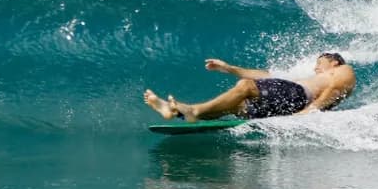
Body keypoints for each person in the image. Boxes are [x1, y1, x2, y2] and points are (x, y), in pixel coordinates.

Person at [144, 53, 356, 122]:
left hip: (299, 99)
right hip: (289, 102)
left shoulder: (344, 70)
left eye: (320, 61)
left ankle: (193, 111)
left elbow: (337, 89)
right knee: (234, 106)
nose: (316, 66)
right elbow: (269, 77)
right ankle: (176, 110)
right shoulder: (313, 78)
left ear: (334, 61)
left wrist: (308, 112)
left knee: (246, 87)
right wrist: (229, 68)